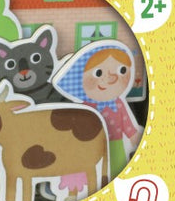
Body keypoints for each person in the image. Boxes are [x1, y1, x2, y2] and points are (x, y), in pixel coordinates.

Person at [54, 41, 142, 179]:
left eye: (122, 71)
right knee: (93, 171)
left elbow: (127, 123)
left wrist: (134, 137)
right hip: (90, 145)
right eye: (98, 73)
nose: (112, 78)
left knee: (116, 170)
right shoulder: (85, 109)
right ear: (79, 80)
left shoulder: (118, 104)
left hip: (116, 144)